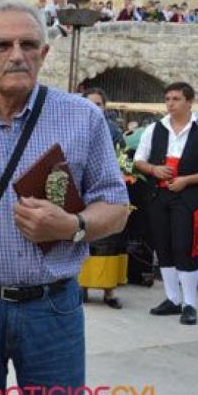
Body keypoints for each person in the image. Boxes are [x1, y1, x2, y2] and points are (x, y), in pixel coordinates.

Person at [0, 0, 129, 395]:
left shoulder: (82, 118)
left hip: (53, 308)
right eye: (2, 46)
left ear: (45, 53)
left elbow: (116, 206)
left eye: (29, 45)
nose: (17, 55)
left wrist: (73, 226)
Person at [133, 82, 198, 325]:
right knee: (163, 247)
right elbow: (139, 160)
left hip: (189, 198)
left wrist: (186, 180)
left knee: (185, 247)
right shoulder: (155, 129)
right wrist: (154, 169)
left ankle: (190, 303)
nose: (170, 103)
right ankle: (173, 299)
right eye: (168, 99)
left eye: (176, 99)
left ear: (189, 102)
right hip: (158, 196)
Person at [78, 88, 128, 309]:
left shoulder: (114, 131)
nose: (94, 108)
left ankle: (109, 291)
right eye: (91, 103)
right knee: (83, 239)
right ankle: (83, 288)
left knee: (110, 243)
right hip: (81, 195)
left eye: (99, 104)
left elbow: (123, 156)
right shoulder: (74, 128)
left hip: (107, 195)